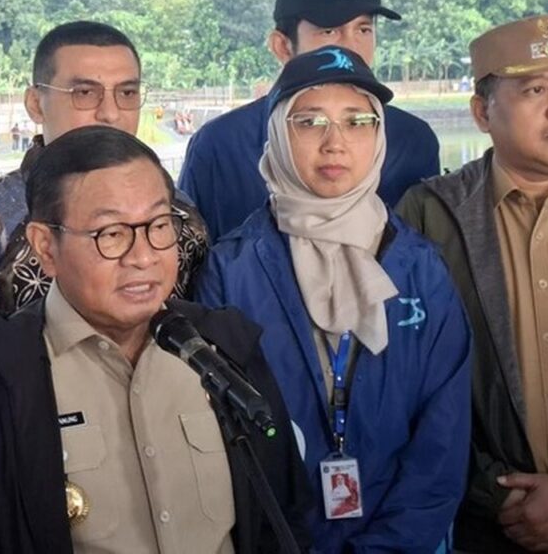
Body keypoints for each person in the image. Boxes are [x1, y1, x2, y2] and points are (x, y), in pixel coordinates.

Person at [0, 125, 311, 553]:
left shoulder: (224, 350)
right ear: (45, 247)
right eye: (111, 233)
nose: (144, 256)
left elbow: (285, 522)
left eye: (159, 224)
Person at [196, 47, 471, 552]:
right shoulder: (231, 271)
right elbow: (219, 437)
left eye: (358, 121)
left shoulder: (420, 267)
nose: (335, 143)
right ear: (277, 133)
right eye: (310, 122)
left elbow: (443, 438)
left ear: (379, 135)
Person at [398, 14, 548, 553]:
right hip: (486, 524)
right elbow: (405, 384)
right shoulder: (431, 214)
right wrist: (496, 494)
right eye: (535, 89)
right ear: (481, 111)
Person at [0, 20, 209, 361]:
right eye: (84, 93)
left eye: (127, 93)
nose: (110, 113)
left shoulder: (179, 215)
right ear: (35, 103)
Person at [178, 0, 440, 243]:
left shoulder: (413, 142)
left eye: (363, 29)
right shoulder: (219, 147)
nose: (351, 48)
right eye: (329, 30)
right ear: (282, 46)